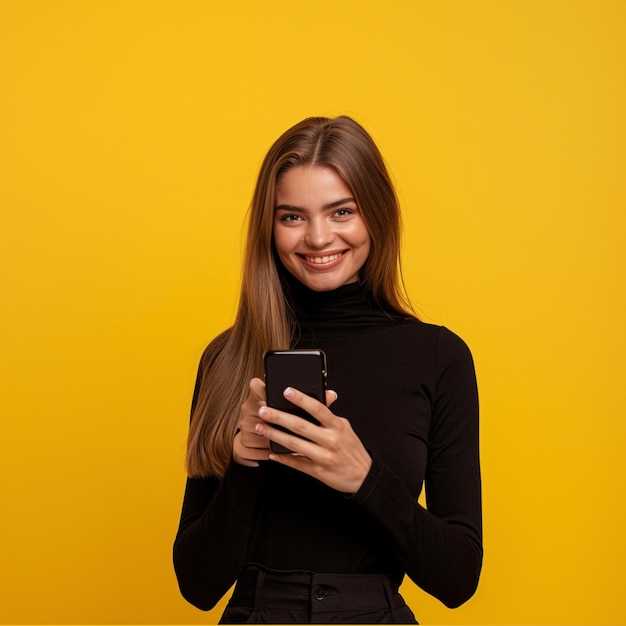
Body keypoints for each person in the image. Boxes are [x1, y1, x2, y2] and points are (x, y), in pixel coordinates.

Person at [173, 116, 482, 624]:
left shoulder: (438, 357)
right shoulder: (228, 358)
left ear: (377, 215)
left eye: (342, 211)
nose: (318, 238)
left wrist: (363, 477)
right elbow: (198, 585)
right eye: (292, 217)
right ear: (268, 228)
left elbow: (458, 578)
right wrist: (248, 461)